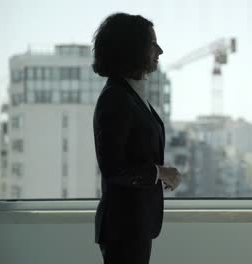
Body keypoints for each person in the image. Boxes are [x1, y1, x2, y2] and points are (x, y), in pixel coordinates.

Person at [92, 13, 181, 264]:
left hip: (135, 226)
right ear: (132, 48)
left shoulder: (131, 94)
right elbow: (113, 168)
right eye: (153, 44)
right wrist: (160, 173)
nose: (160, 51)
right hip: (123, 228)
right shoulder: (115, 99)